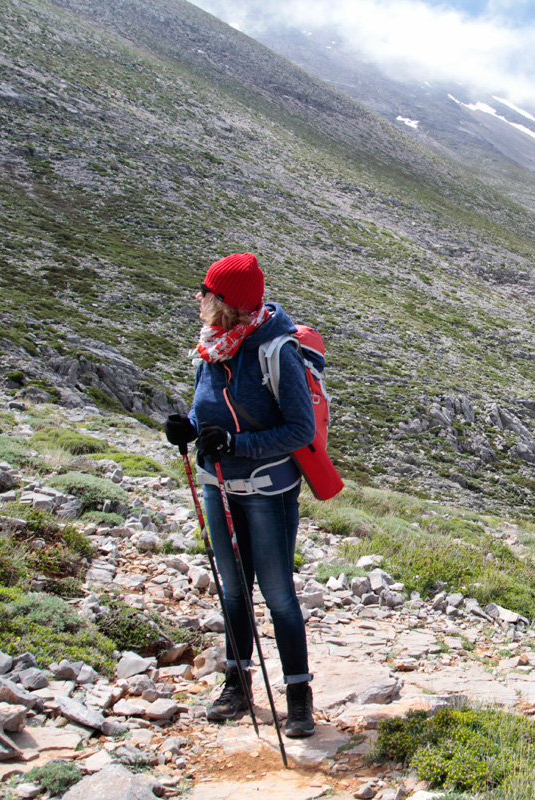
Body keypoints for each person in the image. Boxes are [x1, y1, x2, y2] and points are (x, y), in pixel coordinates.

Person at [164, 252, 317, 738]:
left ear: (227, 302)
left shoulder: (277, 351)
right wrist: (186, 429)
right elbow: (204, 409)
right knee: (233, 591)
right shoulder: (212, 347)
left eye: (206, 291)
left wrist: (237, 445)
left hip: (267, 490)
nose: (198, 297)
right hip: (218, 486)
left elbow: (299, 428)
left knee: (277, 595)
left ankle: (298, 700)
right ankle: (237, 685)